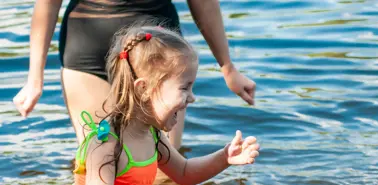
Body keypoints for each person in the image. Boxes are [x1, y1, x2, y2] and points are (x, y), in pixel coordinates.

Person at [46, 25, 260, 185]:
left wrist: (224, 158)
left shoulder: (154, 136)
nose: (192, 97)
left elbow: (185, 172)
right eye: (184, 87)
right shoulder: (106, 145)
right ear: (144, 89)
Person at [13, 0, 256, 150]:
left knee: (163, 170)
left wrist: (228, 67)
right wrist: (35, 78)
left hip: (159, 55)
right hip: (88, 53)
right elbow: (47, 3)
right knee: (99, 162)